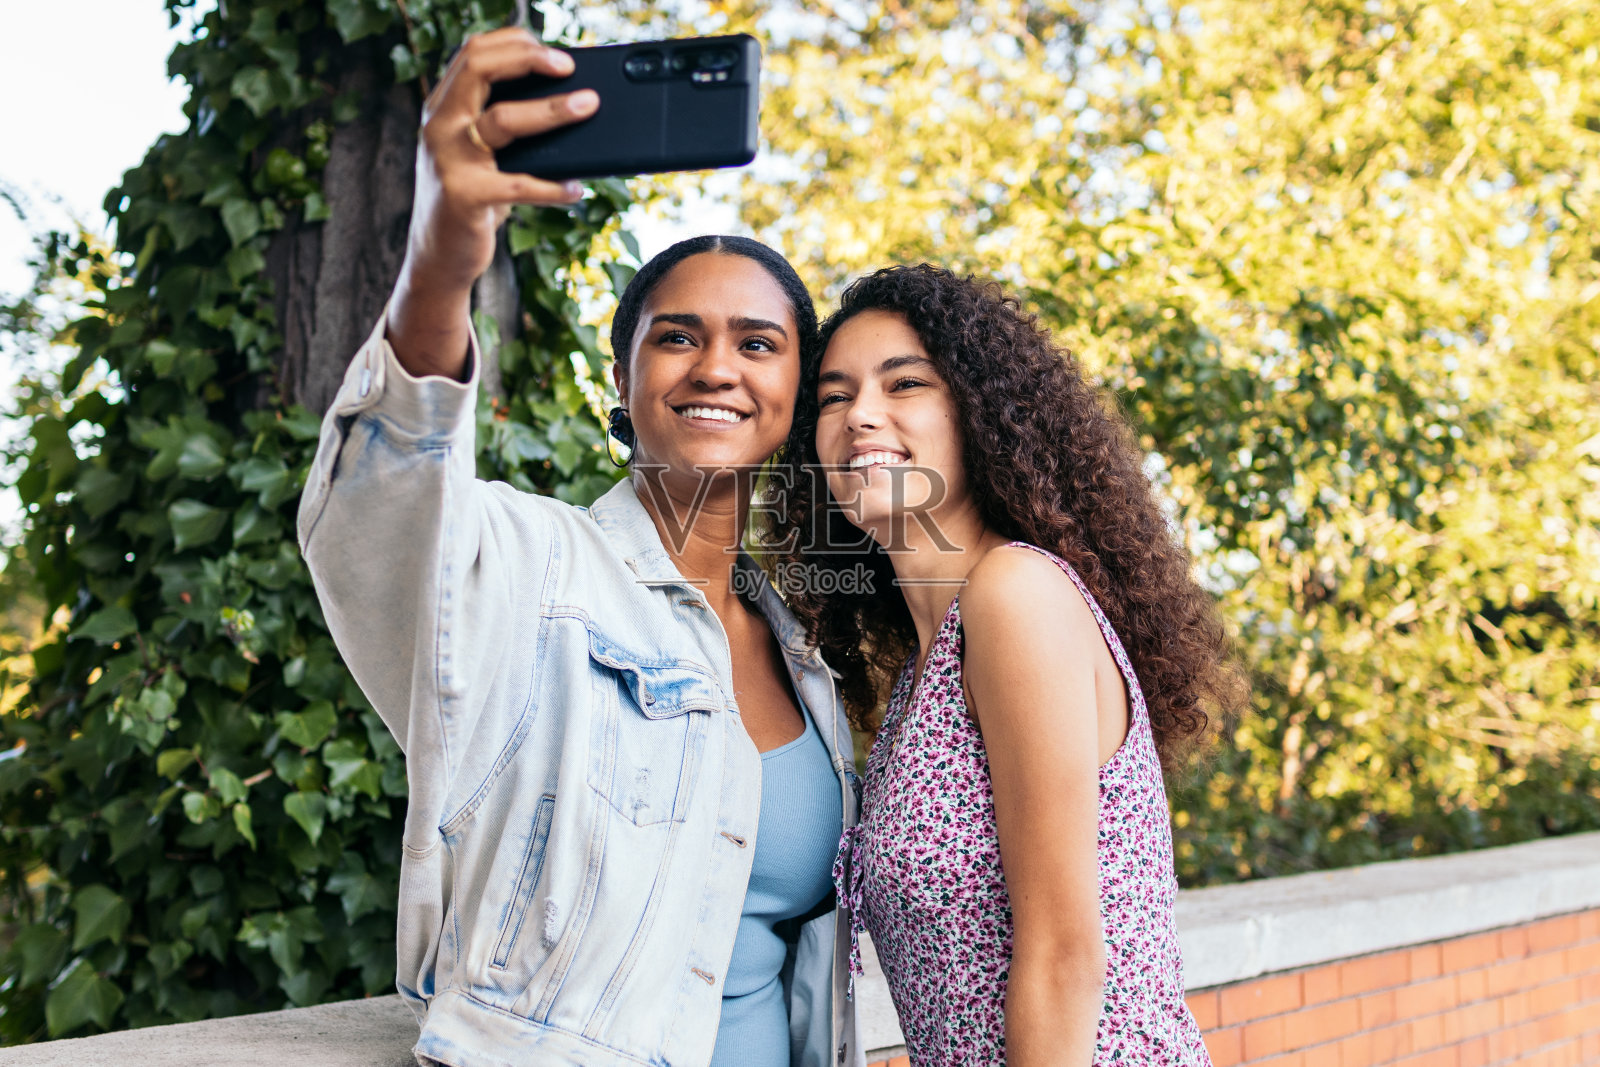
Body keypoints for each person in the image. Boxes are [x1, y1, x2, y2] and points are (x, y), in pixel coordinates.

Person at [297, 28, 862, 1067]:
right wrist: (441, 259)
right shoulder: (533, 567)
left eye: (758, 342)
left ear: (796, 391)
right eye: (676, 336)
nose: (716, 367)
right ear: (622, 379)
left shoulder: (808, 650)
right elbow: (384, 502)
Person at [765, 264, 1246, 1066]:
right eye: (834, 396)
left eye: (904, 383)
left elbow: (1064, 956)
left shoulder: (1015, 593)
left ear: (978, 413)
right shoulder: (926, 668)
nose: (861, 415)